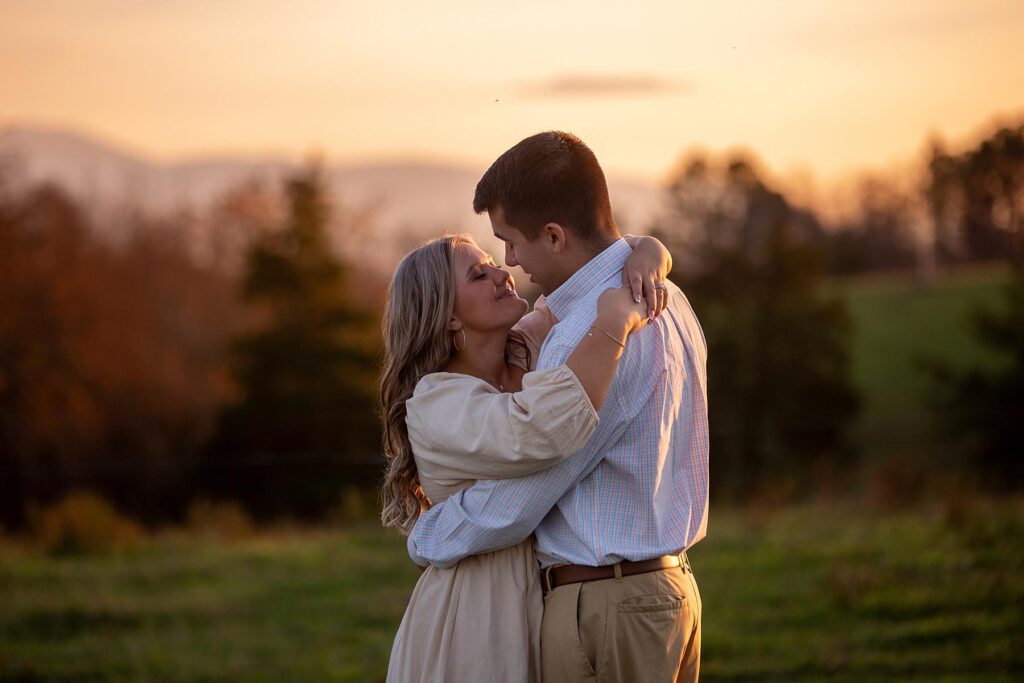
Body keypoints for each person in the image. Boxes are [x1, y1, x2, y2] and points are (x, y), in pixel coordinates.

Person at [407, 131, 710, 682]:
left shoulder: (591, 336)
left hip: (608, 604)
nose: (510, 262)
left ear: (553, 235)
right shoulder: (671, 298)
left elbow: (529, 489)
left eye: (511, 242)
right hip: (661, 594)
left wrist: (432, 532)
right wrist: (648, 246)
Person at [382, 232, 673, 682]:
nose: (504, 271)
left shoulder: (527, 348)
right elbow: (540, 429)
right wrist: (615, 323)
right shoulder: (436, 403)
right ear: (449, 318)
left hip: (549, 604)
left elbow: (600, 247)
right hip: (475, 617)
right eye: (479, 275)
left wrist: (652, 252)